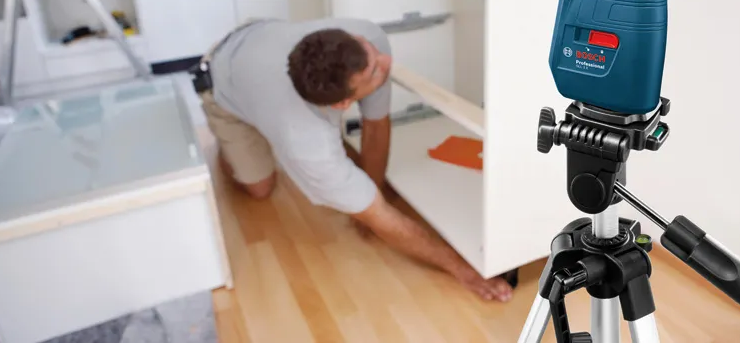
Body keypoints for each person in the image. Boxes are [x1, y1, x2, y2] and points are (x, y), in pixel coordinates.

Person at [196, 17, 513, 302]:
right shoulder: (308, 141)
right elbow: (378, 217)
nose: (387, 62)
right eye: (375, 71)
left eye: (373, 56)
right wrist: (463, 270)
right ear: (344, 103)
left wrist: (370, 189)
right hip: (221, 82)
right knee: (260, 188)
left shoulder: (365, 37)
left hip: (252, 35)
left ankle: (266, 123)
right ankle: (231, 146)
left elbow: (376, 126)